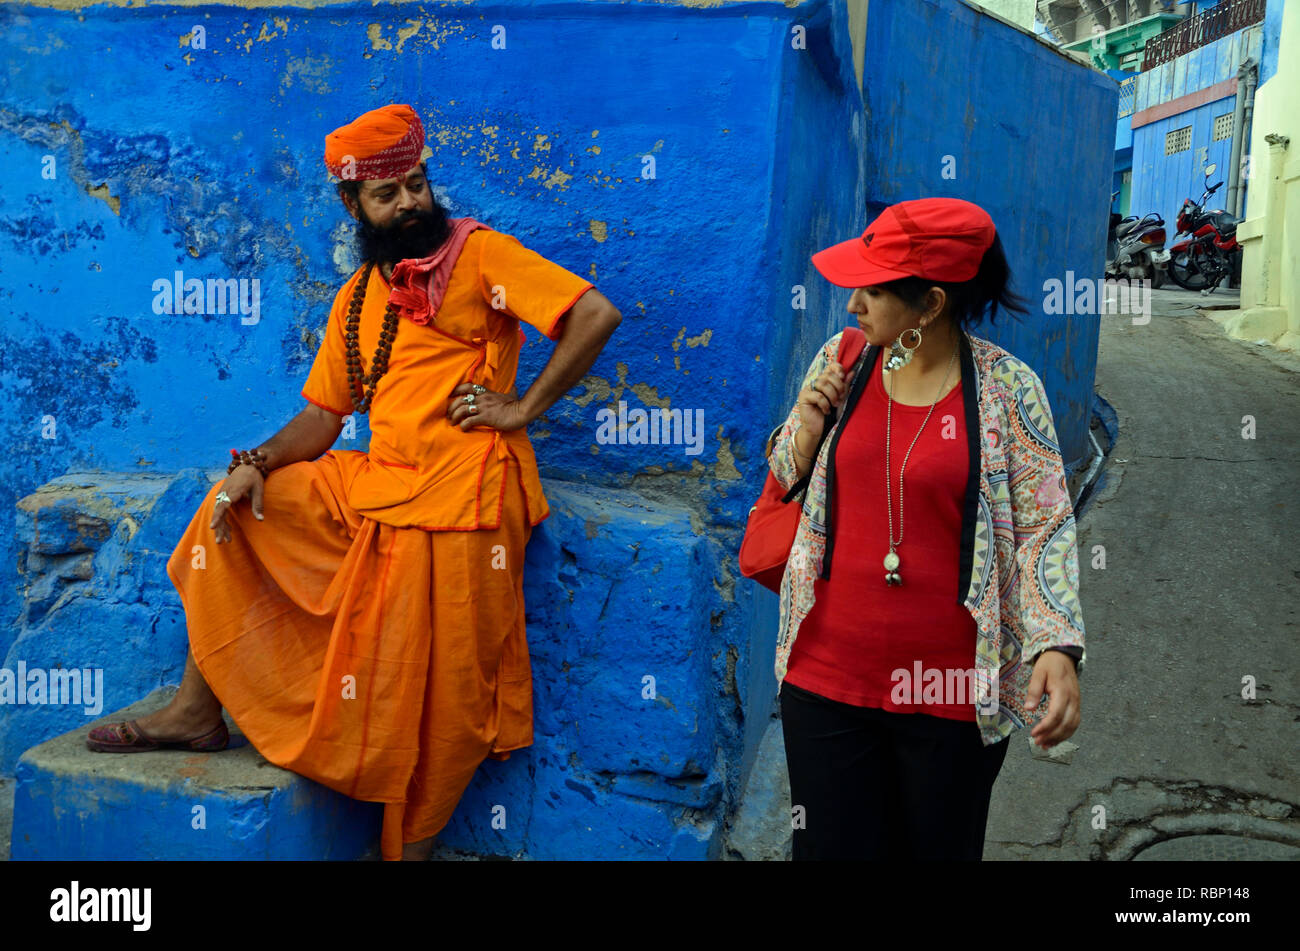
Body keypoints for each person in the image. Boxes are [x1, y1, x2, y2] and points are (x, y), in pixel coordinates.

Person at [85, 104, 622, 862]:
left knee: (449, 696)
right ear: (352, 204)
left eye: (417, 184)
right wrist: (256, 465)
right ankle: (195, 711)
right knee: (229, 510)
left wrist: (522, 407)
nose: (410, 203)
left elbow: (594, 313)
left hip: (464, 496)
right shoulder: (361, 296)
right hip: (380, 479)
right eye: (388, 193)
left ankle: (412, 846)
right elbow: (323, 416)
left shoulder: (483, 256)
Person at [767, 197, 1086, 860]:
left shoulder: (1009, 389)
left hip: (950, 696)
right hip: (825, 677)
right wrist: (803, 421)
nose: (853, 302)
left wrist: (1056, 646)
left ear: (931, 305)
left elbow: (1043, 526)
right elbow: (783, 470)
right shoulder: (845, 359)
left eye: (875, 289)